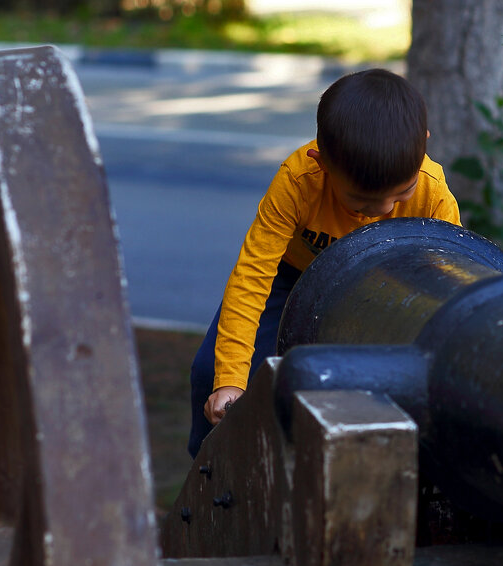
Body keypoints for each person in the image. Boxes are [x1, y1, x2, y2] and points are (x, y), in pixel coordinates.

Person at [188, 69, 460, 457]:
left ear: (424, 148)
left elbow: (443, 285)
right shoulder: (298, 181)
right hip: (292, 277)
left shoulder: (434, 194)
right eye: (361, 202)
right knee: (207, 373)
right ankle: (207, 474)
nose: (382, 210)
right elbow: (252, 276)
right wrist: (229, 378)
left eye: (402, 192)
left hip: (378, 291)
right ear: (322, 162)